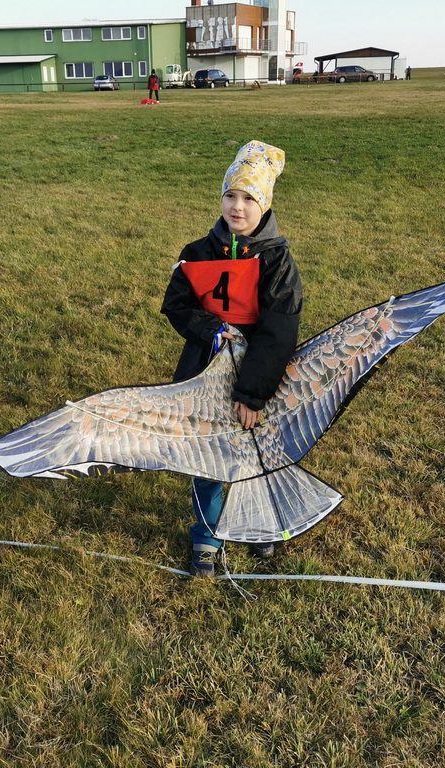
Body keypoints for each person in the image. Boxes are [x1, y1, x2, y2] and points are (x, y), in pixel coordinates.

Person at [160, 141, 302, 577]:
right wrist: (209, 328)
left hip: (258, 376)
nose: (237, 207)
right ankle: (207, 536)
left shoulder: (277, 260)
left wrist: (253, 393)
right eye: (230, 195)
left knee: (254, 455)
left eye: (249, 198)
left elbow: (280, 329)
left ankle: (257, 523)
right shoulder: (196, 252)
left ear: (265, 204)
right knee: (207, 455)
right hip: (205, 371)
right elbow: (177, 306)